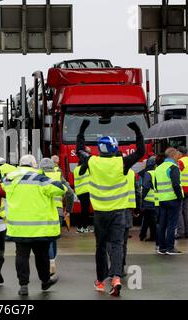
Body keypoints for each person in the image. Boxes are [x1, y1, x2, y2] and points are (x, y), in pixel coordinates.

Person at [76, 119, 145, 297]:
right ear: (114, 149)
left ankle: (100, 281)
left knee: (100, 247)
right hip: (118, 212)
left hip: (100, 213)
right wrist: (137, 130)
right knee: (117, 245)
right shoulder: (121, 163)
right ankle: (116, 278)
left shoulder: (92, 162)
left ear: (99, 149)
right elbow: (141, 152)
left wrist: (82, 130)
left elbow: (79, 150)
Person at [3, 155, 67, 296]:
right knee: (42, 256)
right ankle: (45, 281)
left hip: (19, 228)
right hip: (39, 228)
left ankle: (23, 285)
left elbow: (3, 188)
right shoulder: (40, 179)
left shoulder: (9, 179)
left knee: (21, 257)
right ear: (34, 165)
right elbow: (61, 189)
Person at [39, 158, 75, 277]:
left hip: (42, 211)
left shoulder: (37, 176)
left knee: (45, 239)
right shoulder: (58, 175)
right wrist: (68, 210)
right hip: (57, 212)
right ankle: (52, 260)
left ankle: (49, 263)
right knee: (53, 238)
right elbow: (69, 193)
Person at [156, 147, 184, 255]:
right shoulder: (173, 167)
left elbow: (156, 184)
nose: (178, 156)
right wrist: (179, 197)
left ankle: (161, 248)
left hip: (162, 199)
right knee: (172, 224)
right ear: (172, 155)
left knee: (162, 224)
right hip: (173, 199)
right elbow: (176, 184)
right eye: (177, 154)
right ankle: (170, 248)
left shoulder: (159, 168)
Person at [176, 146, 188, 239]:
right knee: (185, 211)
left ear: (180, 153)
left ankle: (180, 232)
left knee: (179, 211)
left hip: (181, 189)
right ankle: (187, 232)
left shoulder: (181, 161)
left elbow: (176, 173)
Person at [139, 156, 158, 242]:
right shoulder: (157, 172)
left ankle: (149, 236)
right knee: (149, 218)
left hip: (148, 200)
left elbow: (145, 187)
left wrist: (142, 198)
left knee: (148, 219)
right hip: (155, 199)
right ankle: (144, 235)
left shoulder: (146, 173)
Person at [74, 147, 92, 234]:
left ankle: (82, 227)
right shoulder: (86, 169)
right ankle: (83, 227)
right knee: (85, 211)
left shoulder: (76, 169)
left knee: (83, 211)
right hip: (86, 191)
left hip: (80, 192)